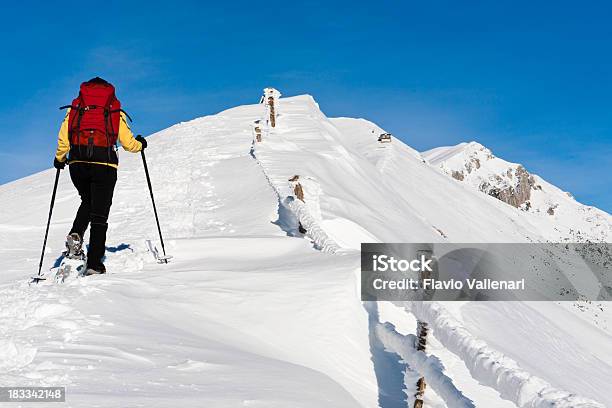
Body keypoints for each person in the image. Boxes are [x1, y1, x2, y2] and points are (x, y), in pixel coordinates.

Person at [53, 77, 147, 275]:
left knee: (87, 200)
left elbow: (64, 136)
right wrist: (141, 145)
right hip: (104, 164)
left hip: (77, 163)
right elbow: (128, 143)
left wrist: (60, 158)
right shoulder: (113, 109)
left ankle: (76, 235)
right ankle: (95, 263)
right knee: (99, 213)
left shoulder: (76, 108)